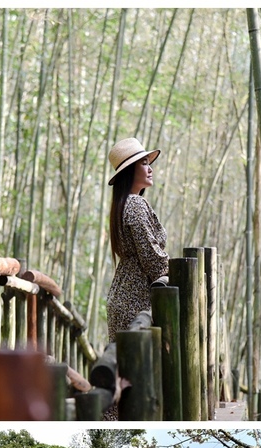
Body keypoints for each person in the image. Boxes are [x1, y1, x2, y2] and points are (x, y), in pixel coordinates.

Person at [105, 137, 170, 420]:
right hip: (133, 299)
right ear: (129, 170)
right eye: (143, 163)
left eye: (148, 162)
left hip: (124, 295)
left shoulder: (124, 205)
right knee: (130, 377)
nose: (150, 168)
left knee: (124, 373)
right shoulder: (135, 206)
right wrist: (176, 270)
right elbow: (152, 257)